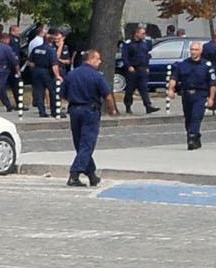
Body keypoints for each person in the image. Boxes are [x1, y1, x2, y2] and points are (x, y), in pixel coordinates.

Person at [61, 47, 111, 186]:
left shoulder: (72, 74)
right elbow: (107, 95)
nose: (100, 61)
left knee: (80, 144)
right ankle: (74, 174)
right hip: (90, 111)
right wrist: (113, 110)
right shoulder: (96, 76)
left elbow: (63, 93)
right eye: (98, 59)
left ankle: (91, 175)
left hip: (74, 111)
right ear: (91, 59)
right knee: (87, 144)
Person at [174, 43, 215, 152]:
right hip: (186, 94)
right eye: (192, 49)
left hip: (200, 94)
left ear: (200, 51)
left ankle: (192, 137)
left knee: (196, 116)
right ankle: (194, 136)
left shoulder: (206, 65)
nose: (193, 52)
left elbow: (213, 83)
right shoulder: (183, 64)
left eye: (196, 50)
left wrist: (211, 98)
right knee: (188, 118)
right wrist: (170, 90)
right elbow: (174, 77)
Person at [117, 24, 155, 114]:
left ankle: (148, 106)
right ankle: (128, 106)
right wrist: (128, 66)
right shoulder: (129, 44)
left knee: (144, 88)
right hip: (132, 70)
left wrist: (147, 67)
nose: (144, 35)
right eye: (142, 33)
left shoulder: (144, 44)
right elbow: (125, 56)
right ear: (136, 33)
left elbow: (146, 56)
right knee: (130, 89)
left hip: (142, 69)